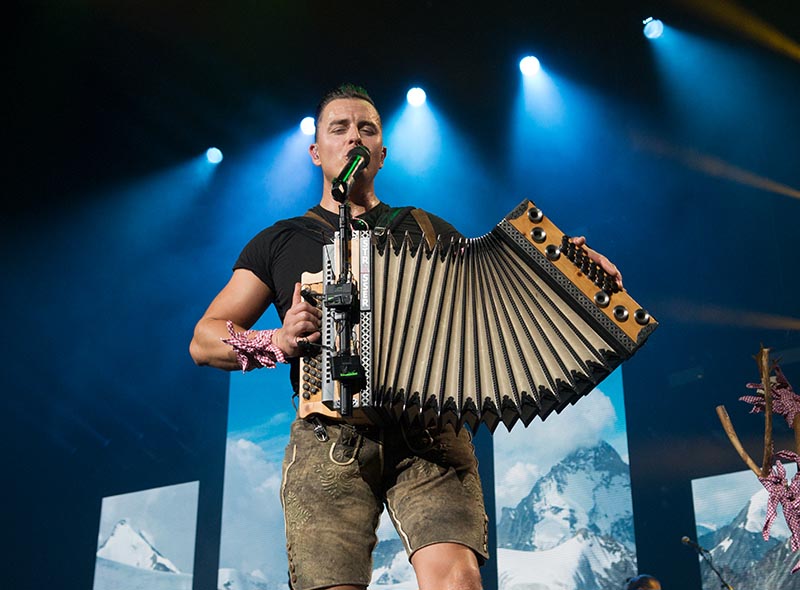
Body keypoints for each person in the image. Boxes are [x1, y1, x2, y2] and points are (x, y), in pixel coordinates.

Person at [189, 82, 623, 590]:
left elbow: (500, 301)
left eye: (367, 129)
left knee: (457, 582)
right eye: (340, 128)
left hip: (430, 434)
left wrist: (574, 272)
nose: (354, 137)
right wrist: (276, 343)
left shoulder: (429, 230)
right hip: (330, 437)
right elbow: (204, 339)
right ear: (315, 151)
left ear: (382, 153)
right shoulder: (281, 241)